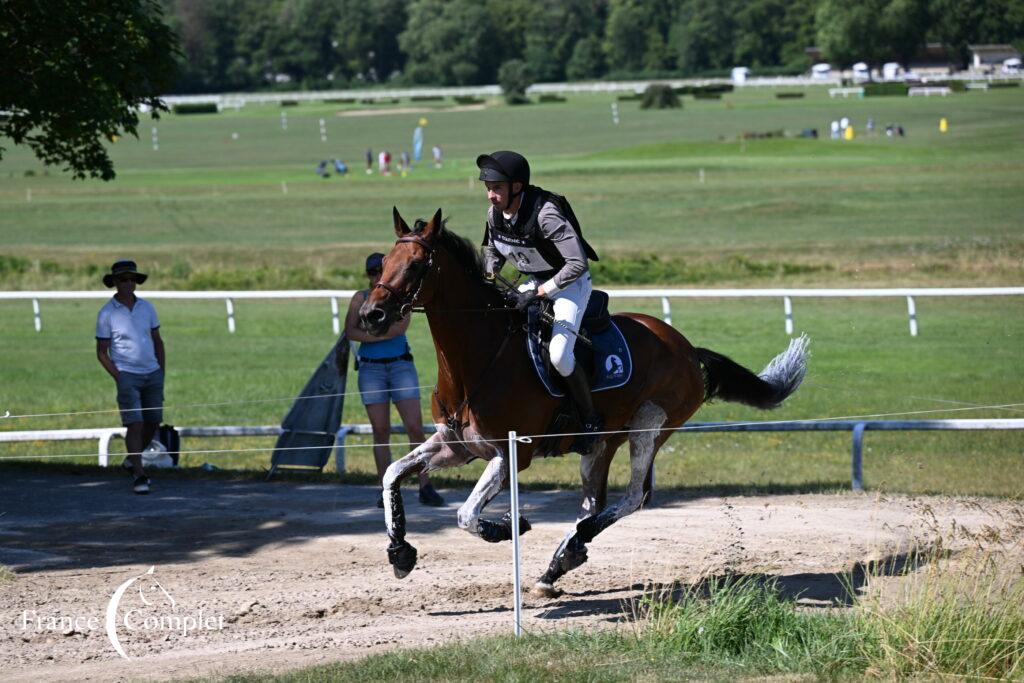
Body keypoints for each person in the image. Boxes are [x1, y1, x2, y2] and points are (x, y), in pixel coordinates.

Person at [476, 150, 603, 453]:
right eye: (488, 189)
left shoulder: (546, 214)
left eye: (497, 189)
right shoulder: (494, 214)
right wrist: (491, 271)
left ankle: (590, 421)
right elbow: (492, 250)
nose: (491, 196)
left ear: (517, 187)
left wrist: (541, 292)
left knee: (559, 355)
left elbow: (577, 264)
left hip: (569, 285)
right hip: (532, 282)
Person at [344, 253, 444, 507]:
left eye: (380, 270)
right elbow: (350, 331)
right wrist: (381, 332)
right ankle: (385, 489)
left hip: (400, 366)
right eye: (372, 272)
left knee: (414, 427)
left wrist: (370, 331)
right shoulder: (360, 299)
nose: (377, 276)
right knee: (380, 431)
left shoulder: (399, 298)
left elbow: (399, 328)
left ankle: (425, 485)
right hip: (371, 370)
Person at [95, 260, 166, 495]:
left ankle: (130, 460)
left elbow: (157, 340)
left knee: (153, 421)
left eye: (132, 279)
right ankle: (139, 473)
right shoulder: (107, 313)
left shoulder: (147, 308)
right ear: (114, 283)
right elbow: (101, 352)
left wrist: (161, 371)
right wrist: (119, 376)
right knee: (134, 424)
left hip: (153, 373)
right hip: (128, 375)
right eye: (123, 279)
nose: (128, 283)